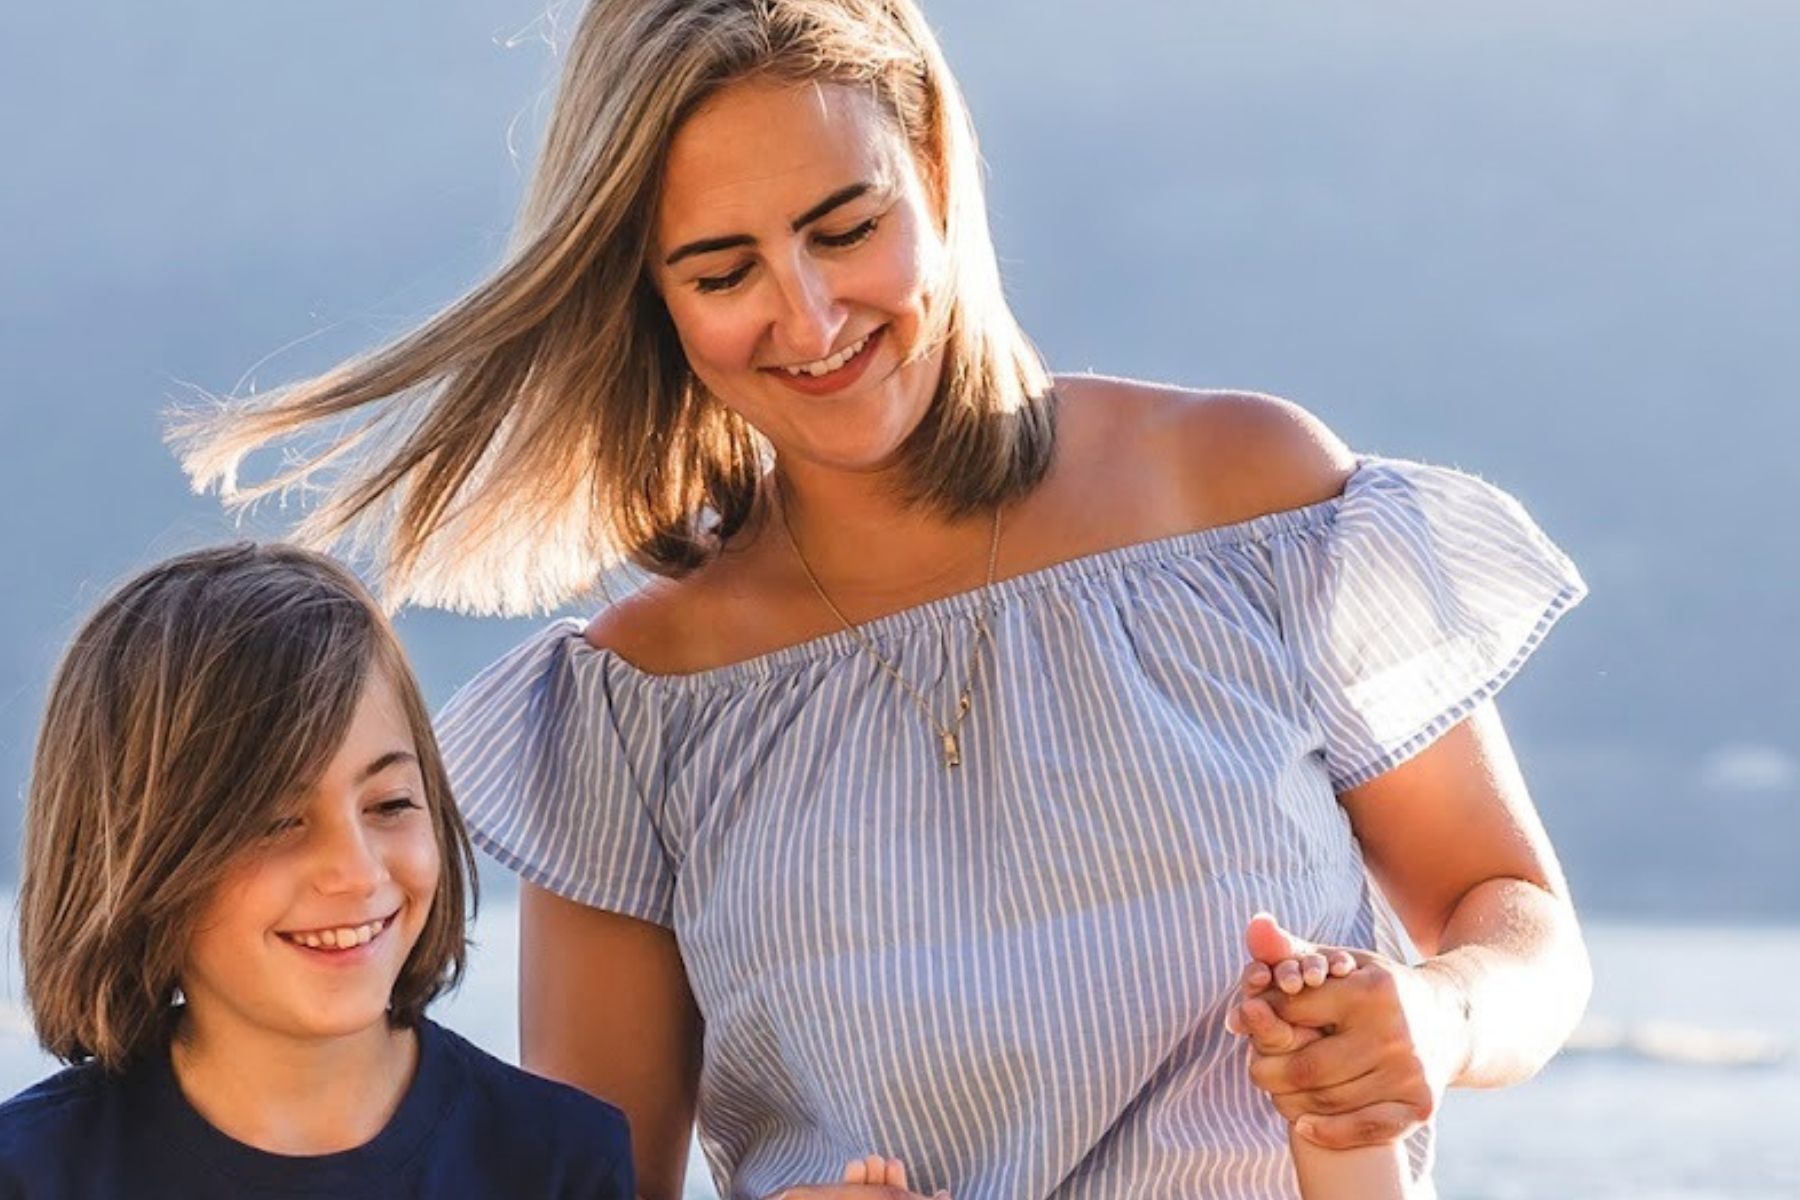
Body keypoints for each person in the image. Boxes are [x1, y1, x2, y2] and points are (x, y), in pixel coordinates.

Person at [170, 2, 1593, 1196]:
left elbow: (1511, 908)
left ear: (931, 165)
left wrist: (1442, 1009)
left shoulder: (1245, 495)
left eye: (846, 227)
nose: (809, 317)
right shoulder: (636, 706)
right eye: (723, 271)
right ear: (652, 301)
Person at [0, 544, 634, 1199]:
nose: (357, 873)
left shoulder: (560, 1162)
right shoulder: (30, 1173)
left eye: (389, 805)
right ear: (138, 854)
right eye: (276, 822)